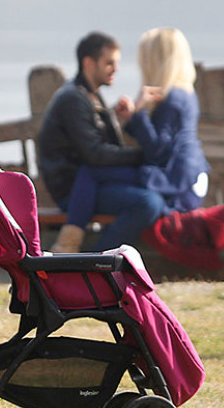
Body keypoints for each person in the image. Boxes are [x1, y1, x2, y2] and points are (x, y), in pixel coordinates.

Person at [49, 27, 210, 252]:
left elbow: (157, 151)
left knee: (91, 172)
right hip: (182, 176)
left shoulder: (172, 99)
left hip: (172, 178)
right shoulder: (185, 93)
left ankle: (78, 249)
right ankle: (84, 251)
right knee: (98, 175)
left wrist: (139, 114)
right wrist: (132, 119)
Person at [37, 31, 163, 253]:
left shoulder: (90, 95)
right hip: (76, 192)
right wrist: (142, 155)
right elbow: (94, 154)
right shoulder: (72, 99)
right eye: (109, 63)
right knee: (147, 203)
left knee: (153, 194)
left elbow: (97, 143)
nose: (115, 69)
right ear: (88, 63)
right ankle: (97, 262)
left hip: (94, 183)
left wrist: (117, 119)